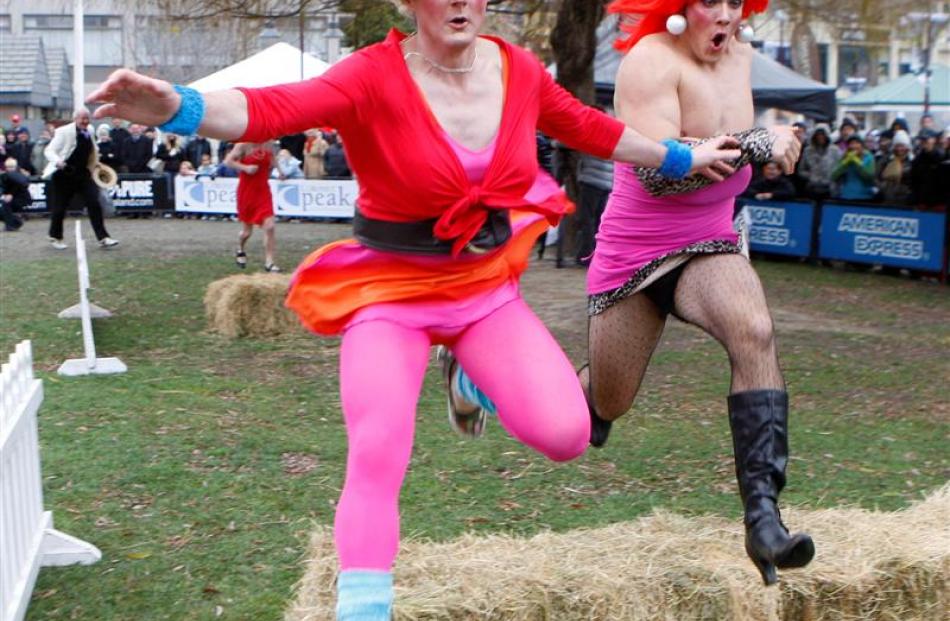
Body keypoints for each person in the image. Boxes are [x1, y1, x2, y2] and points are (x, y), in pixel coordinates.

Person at [86, 0, 739, 616]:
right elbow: (266, 109)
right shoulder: (369, 75)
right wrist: (178, 106)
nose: (459, 4)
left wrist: (682, 154)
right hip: (389, 292)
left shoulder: (520, 71)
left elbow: (593, 128)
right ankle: (363, 607)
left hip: (483, 292)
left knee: (568, 434)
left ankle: (467, 374)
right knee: (377, 450)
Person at [450, 0, 813, 588]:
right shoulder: (647, 61)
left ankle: (764, 519)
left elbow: (740, 150)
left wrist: (778, 151)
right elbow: (657, 170)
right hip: (636, 256)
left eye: (732, 3)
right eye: (706, 3)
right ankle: (484, 381)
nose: (722, 16)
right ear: (676, 9)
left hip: (709, 243)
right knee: (600, 408)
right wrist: (754, 144)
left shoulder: (741, 56)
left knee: (755, 331)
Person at [42, 108, 119, 250]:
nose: (85, 121)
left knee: (94, 203)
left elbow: (93, 150)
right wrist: (58, 161)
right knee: (60, 207)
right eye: (82, 118)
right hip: (64, 174)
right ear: (75, 119)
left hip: (83, 174)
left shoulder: (89, 130)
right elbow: (49, 150)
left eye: (87, 118)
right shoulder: (63, 131)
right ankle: (55, 236)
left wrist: (96, 163)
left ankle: (103, 237)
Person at [224, 142, 280, 272]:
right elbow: (228, 161)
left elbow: (272, 158)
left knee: (270, 226)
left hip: (263, 190)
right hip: (247, 192)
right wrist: (245, 167)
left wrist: (280, 171)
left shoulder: (268, 143)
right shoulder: (242, 145)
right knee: (247, 232)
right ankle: (240, 248)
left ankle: (269, 262)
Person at [799, 123, 839, 200]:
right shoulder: (808, 151)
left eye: (823, 135)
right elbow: (801, 170)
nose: (820, 137)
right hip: (813, 187)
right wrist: (811, 175)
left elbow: (839, 169)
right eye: (818, 135)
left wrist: (832, 177)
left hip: (829, 188)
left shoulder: (835, 150)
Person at [832, 135, 876, 202]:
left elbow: (869, 177)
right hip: (846, 196)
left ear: (862, 145)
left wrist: (856, 161)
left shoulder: (868, 157)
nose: (854, 146)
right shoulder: (845, 157)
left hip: (864, 197)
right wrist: (845, 162)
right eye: (851, 143)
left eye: (857, 143)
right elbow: (834, 176)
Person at [877, 130, 913, 205]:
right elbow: (876, 177)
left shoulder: (912, 161)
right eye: (897, 145)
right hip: (887, 198)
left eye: (902, 145)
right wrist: (883, 187)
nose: (899, 149)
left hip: (905, 201)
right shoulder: (886, 160)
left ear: (907, 147)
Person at [1, 157, 30, 231]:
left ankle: (10, 225)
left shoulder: (20, 176)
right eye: (8, 167)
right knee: (4, 205)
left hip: (21, 199)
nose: (9, 169)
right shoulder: (5, 176)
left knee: (5, 204)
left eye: (11, 167)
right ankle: (16, 222)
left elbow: (22, 185)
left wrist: (11, 194)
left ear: (15, 167)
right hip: (11, 198)